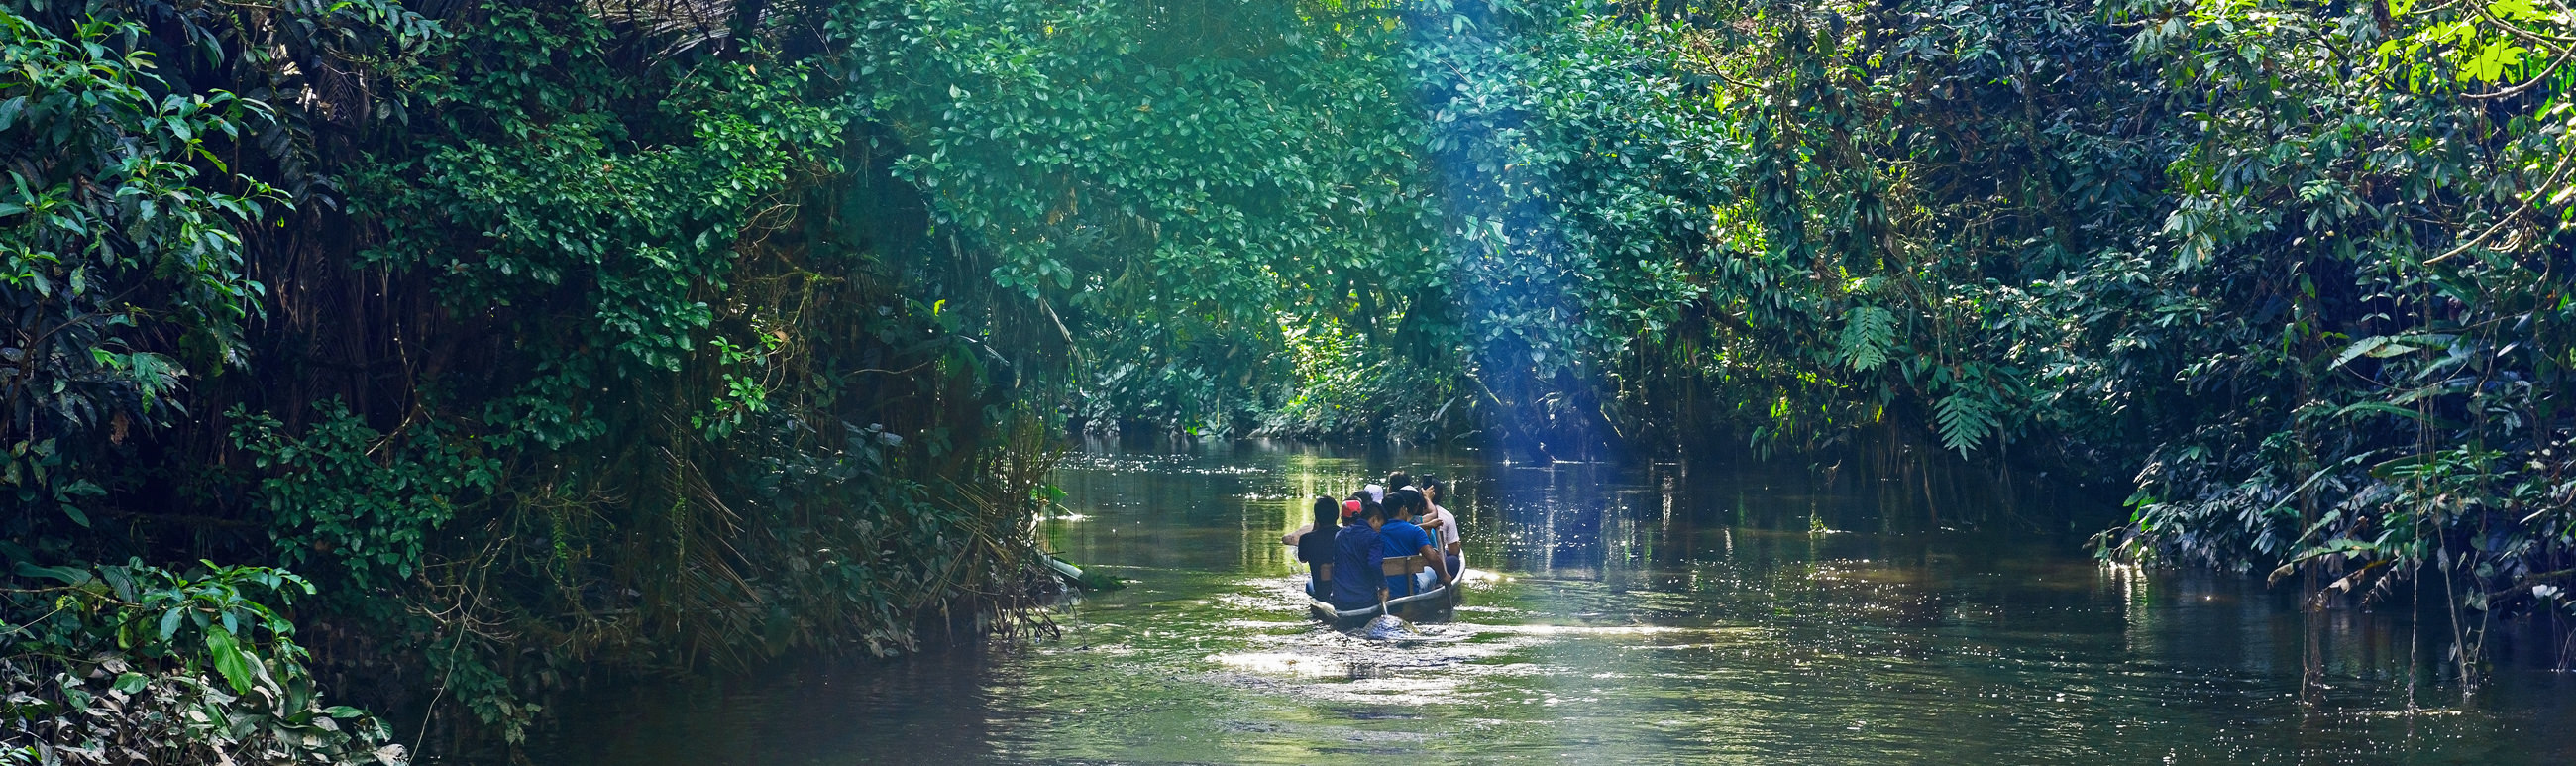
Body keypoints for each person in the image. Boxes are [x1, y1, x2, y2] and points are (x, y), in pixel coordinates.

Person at [1377, 489, 1449, 597]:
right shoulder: (1415, 532)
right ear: (1402, 510)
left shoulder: (1375, 533)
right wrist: (1444, 576)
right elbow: (1433, 558)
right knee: (1430, 572)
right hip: (1410, 589)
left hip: (1381, 590)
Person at [1328, 500, 1388, 610]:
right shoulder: (1374, 538)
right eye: (1380, 525)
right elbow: (1374, 564)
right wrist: (1383, 587)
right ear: (1374, 519)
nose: (1380, 529)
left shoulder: (1340, 535)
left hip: (1339, 600)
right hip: (1364, 600)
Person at [1417, 478, 1463, 579]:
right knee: (1454, 560)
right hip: (1432, 565)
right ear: (1441, 495)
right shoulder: (1447, 516)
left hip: (1416, 563)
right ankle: (1443, 580)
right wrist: (1457, 546)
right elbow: (1454, 550)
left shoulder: (1410, 516)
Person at [1294, 496, 1339, 598]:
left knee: (1309, 584)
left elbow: (1302, 559)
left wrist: (1314, 529)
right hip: (1343, 587)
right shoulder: (1344, 536)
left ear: (1316, 517)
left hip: (1321, 590)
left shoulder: (1306, 539)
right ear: (1337, 516)